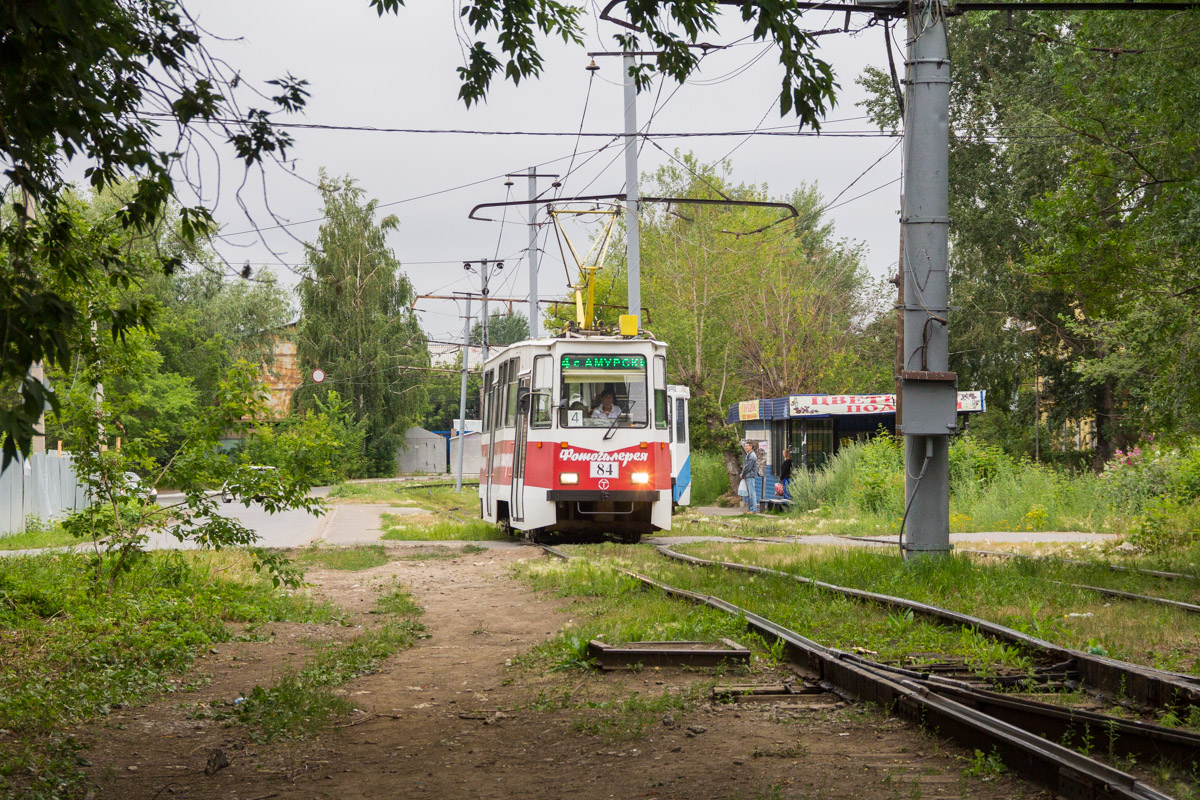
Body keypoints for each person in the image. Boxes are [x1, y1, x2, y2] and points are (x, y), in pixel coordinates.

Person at [740, 440, 759, 514]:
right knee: (749, 493)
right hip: (748, 476)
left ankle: (753, 509)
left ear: (751, 447)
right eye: (745, 446)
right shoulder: (749, 455)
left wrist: (743, 474)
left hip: (750, 476)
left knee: (752, 493)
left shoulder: (752, 456)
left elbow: (748, 467)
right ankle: (750, 508)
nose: (745, 448)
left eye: (747, 446)